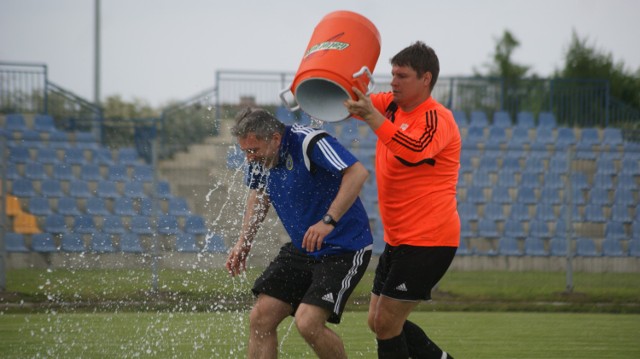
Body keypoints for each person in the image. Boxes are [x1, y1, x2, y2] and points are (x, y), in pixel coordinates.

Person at [225, 107, 373, 359]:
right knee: (261, 318)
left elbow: (358, 173)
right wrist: (244, 241)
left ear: (275, 138)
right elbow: (260, 194)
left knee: (308, 323)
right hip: (304, 247)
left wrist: (328, 220)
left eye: (253, 150)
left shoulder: (309, 141)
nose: (249, 158)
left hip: (344, 248)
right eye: (245, 151)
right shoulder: (261, 158)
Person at [344, 41, 461, 359]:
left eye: (402, 75)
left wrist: (372, 117)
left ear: (426, 79)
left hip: (430, 239)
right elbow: (349, 103)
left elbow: (413, 150)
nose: (393, 81)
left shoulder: (438, 118)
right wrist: (327, 74)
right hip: (400, 240)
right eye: (393, 74)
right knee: (377, 321)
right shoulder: (391, 105)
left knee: (386, 322)